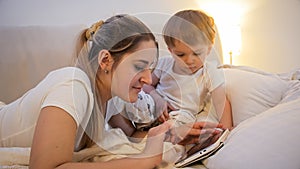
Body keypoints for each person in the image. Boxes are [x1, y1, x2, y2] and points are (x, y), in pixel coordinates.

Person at [0, 14, 222, 169]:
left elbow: (132, 137)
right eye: (139, 66)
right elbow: (45, 167)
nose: (147, 79)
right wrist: (145, 161)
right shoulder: (72, 85)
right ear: (106, 60)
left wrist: (173, 134)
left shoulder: (113, 98)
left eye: (151, 68)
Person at [142, 9, 233, 130]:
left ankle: (161, 134)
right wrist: (157, 99)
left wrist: (227, 129)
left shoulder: (209, 72)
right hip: (155, 104)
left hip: (181, 115)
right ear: (170, 50)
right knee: (129, 102)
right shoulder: (164, 64)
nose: (189, 61)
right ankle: (130, 129)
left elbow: (221, 102)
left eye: (197, 53)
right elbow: (146, 85)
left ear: (209, 49)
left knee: (178, 126)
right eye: (180, 55)